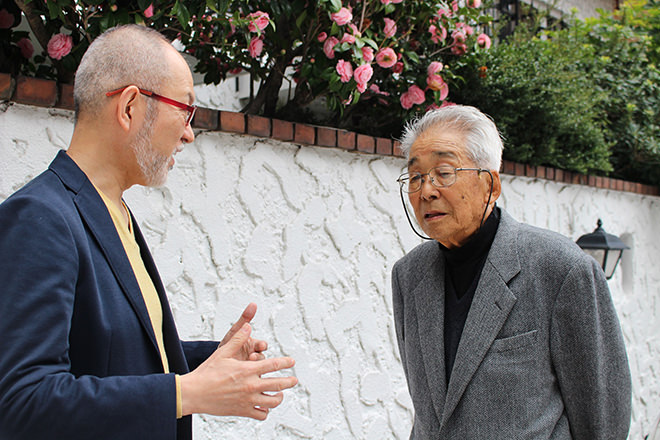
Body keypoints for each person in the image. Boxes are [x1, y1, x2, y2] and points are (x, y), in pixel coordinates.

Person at [0, 24, 297, 440]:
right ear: (129, 107)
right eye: (185, 109)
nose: (189, 133)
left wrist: (211, 361)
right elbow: (22, 403)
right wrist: (184, 392)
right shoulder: (40, 217)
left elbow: (111, 354)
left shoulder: (113, 211)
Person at [391, 105, 631, 439]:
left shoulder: (560, 268)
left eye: (443, 172)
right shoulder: (409, 275)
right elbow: (431, 413)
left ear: (489, 184)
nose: (426, 190)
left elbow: (603, 421)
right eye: (416, 176)